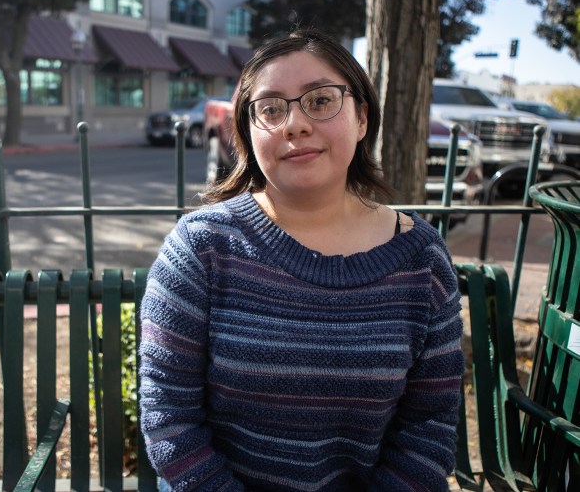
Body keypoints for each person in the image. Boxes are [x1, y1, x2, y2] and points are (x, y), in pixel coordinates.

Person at [138, 28, 464, 491]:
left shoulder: (422, 260)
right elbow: (169, 419)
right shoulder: (201, 248)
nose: (294, 124)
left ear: (363, 117)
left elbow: (428, 428)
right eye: (270, 109)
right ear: (248, 133)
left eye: (320, 99)